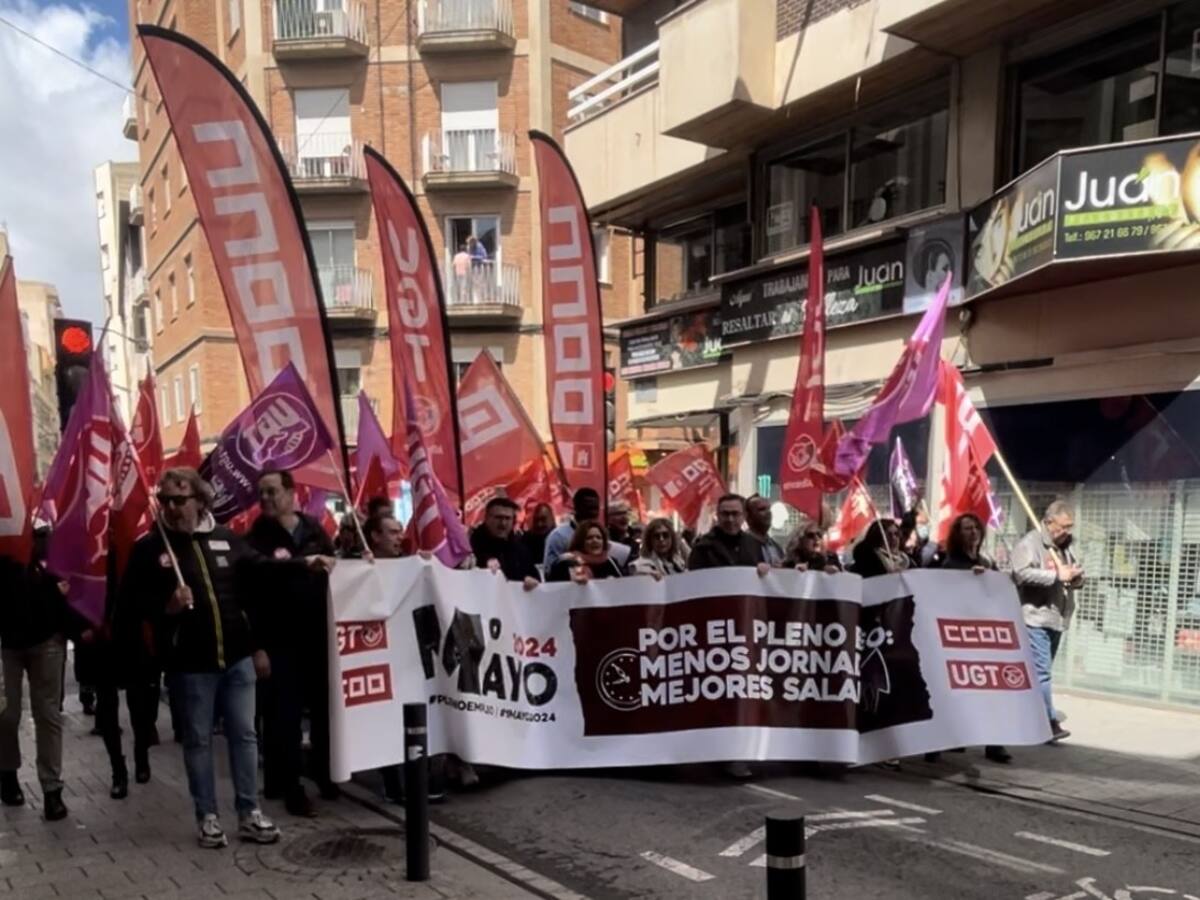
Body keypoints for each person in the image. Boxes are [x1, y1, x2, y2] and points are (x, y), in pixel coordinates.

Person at [120, 468, 325, 848]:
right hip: (191, 664)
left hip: (236, 658)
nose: (171, 507)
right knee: (198, 740)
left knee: (245, 736)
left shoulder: (225, 538)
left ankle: (249, 813)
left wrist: (302, 564)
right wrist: (168, 606)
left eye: (179, 499)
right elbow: (130, 605)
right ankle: (208, 816)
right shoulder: (150, 548)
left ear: (200, 500)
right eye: (164, 500)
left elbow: (260, 571)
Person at [245, 470, 340, 817]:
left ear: (290, 492)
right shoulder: (256, 537)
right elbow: (253, 585)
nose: (266, 499)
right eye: (261, 493)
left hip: (317, 636)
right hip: (278, 640)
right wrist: (257, 647)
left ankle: (323, 770)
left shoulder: (314, 529)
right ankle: (289, 785)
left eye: (272, 491)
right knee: (283, 715)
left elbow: (337, 573)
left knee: (323, 709)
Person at [0, 529, 81, 820]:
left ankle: (52, 788)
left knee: (47, 712)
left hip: (46, 638)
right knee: (6, 714)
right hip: (7, 642)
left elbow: (66, 583)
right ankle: (7, 771)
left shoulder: (49, 542)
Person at [926, 513, 1011, 765]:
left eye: (976, 527)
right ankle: (937, 743)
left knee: (989, 692)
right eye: (966, 528)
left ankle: (994, 743)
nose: (973, 532)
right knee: (951, 693)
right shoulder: (949, 564)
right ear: (957, 534)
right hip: (956, 639)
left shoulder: (986, 562)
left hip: (982, 639)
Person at [1012, 500, 1082, 743]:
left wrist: (1075, 577)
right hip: (1036, 616)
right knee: (1042, 672)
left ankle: (1025, 716)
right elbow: (1020, 573)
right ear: (1049, 521)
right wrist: (1054, 576)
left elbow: (1073, 571)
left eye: (1070, 527)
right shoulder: (1030, 543)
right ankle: (1048, 722)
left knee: (1039, 672)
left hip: (1058, 617)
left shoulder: (1065, 545)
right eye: (1063, 526)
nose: (1067, 532)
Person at [687, 494, 770, 573]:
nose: (730, 519)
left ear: (744, 516)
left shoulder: (753, 544)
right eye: (725, 514)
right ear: (718, 515)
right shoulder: (703, 548)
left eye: (735, 514)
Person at [471, 497, 539, 588]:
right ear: (486, 518)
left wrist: (530, 580)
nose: (503, 523)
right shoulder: (471, 547)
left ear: (513, 521)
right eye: (498, 518)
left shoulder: (521, 549)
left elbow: (536, 579)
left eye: (507, 518)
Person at [544, 487, 600, 571]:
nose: (593, 513)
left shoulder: (602, 534)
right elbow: (549, 571)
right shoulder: (558, 537)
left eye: (595, 508)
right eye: (588, 508)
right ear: (576, 508)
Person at [547, 521, 624, 582]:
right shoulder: (566, 563)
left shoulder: (611, 563)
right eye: (589, 538)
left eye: (599, 537)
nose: (595, 541)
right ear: (580, 542)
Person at [746, 494, 785, 567]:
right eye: (762, 509)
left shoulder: (776, 547)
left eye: (769, 509)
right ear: (748, 517)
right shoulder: (742, 545)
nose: (768, 512)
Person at [520, 503, 555, 571]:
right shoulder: (526, 539)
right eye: (536, 520)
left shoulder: (560, 538)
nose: (539, 524)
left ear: (552, 518)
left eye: (543, 519)